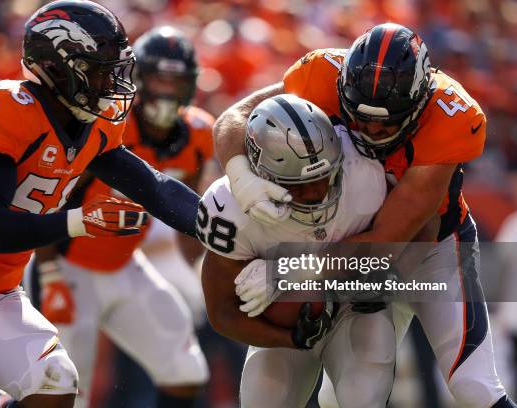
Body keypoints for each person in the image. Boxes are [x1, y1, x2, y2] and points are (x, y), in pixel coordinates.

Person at [0, 2, 201, 408]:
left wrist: (212, 222)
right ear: (58, 66)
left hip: (0, 297)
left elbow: (151, 185)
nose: (110, 80)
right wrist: (81, 221)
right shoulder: (7, 108)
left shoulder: (94, 123)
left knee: (56, 382)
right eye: (98, 69)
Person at [212, 23, 514, 408]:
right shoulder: (321, 75)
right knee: (334, 398)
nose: (371, 129)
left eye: (386, 122)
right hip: (336, 242)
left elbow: (386, 242)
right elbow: (237, 117)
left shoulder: (449, 117)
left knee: (475, 387)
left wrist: (285, 271)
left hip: (427, 250)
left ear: (420, 102)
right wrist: (240, 177)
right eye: (359, 116)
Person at [32, 26, 213, 408]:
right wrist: (48, 274)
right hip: (67, 266)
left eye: (175, 78)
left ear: (190, 84)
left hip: (125, 264)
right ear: (138, 78)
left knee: (186, 371)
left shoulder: (198, 134)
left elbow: (186, 217)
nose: (165, 88)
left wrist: (202, 272)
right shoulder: (109, 124)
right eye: (158, 77)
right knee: (62, 392)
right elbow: (48, 199)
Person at [200, 94, 396, 408]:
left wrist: (291, 271)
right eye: (297, 185)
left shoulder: (366, 168)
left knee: (362, 398)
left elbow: (404, 242)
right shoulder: (231, 210)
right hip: (286, 324)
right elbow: (222, 311)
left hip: (355, 306)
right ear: (260, 175)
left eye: (323, 178)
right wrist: (290, 338)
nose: (316, 194)